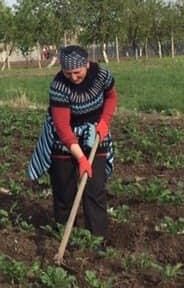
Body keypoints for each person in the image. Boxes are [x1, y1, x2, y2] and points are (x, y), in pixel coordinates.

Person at [27, 45, 117, 240]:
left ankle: (97, 239)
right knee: (64, 191)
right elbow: (63, 128)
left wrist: (105, 120)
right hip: (64, 139)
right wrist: (81, 159)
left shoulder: (101, 74)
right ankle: (68, 236)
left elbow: (111, 96)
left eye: (77, 72)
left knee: (94, 190)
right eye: (68, 73)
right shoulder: (59, 86)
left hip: (94, 133)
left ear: (86, 64)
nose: (73, 77)